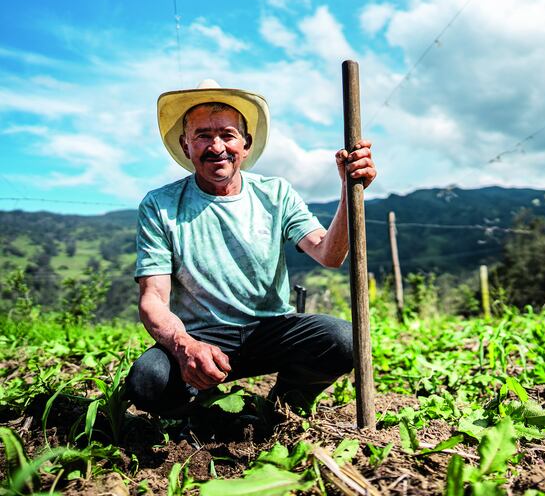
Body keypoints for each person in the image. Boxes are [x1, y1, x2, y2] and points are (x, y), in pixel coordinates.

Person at [124, 79, 376, 428]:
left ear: (246, 144)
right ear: (186, 145)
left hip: (271, 330)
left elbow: (329, 255)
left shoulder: (275, 194)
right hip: (201, 338)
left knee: (343, 340)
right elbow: (153, 299)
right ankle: (208, 416)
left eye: (227, 135)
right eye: (202, 136)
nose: (216, 147)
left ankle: (284, 408)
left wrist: (350, 189)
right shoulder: (160, 205)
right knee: (148, 381)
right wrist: (185, 346)